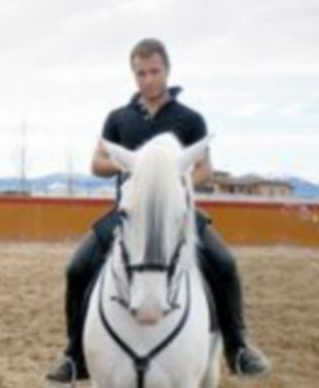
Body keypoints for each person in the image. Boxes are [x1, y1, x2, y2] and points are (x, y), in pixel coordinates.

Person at [46, 38, 270, 383]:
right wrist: (135, 169)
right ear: (133, 75)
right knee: (77, 268)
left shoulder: (190, 119)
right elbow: (97, 162)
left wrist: (173, 187)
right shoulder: (118, 118)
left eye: (154, 71)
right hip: (130, 212)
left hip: (175, 212)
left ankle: (237, 348)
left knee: (224, 263)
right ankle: (75, 354)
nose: (148, 79)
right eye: (140, 73)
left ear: (167, 71)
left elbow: (205, 169)